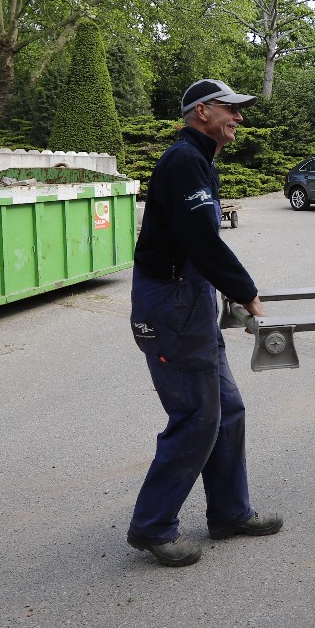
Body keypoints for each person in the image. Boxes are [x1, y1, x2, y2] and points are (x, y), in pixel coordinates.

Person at [126, 79, 283, 565]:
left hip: (190, 297)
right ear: (202, 112)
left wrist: (224, 290)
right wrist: (247, 293)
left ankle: (229, 512)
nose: (238, 117)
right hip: (171, 304)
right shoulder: (184, 161)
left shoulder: (199, 160)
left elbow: (195, 243)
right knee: (197, 416)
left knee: (228, 410)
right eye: (230, 109)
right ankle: (153, 526)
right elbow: (202, 241)